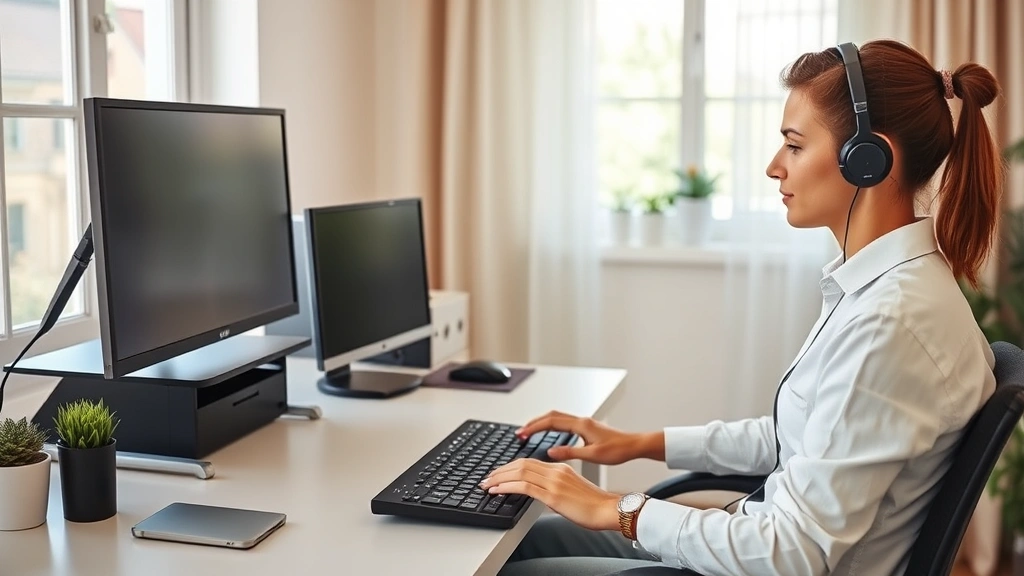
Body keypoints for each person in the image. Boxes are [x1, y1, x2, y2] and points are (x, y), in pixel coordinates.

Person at [487, 39, 1005, 576]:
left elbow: (794, 554)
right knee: (527, 538)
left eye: (796, 146)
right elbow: (796, 439)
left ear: (868, 159)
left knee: (510, 565)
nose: (774, 167)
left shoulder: (890, 322)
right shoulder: (884, 290)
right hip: (755, 543)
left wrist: (618, 508)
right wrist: (639, 444)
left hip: (769, 562)